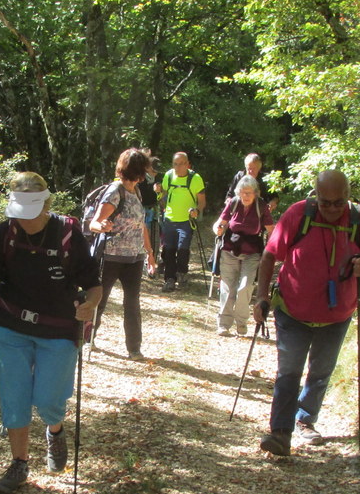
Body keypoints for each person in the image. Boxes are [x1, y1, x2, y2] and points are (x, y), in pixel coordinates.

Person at [0, 172, 102, 494]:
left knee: (49, 399)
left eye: (30, 215)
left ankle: (55, 431)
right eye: (19, 215)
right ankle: (19, 463)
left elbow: (93, 284)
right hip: (9, 325)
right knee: (14, 396)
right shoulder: (5, 235)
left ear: (46, 206)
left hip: (58, 328)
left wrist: (90, 305)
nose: (24, 222)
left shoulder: (69, 235)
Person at [253, 170, 360, 456]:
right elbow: (269, 255)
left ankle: (305, 419)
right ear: (316, 196)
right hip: (292, 310)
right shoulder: (299, 214)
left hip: (337, 315)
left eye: (339, 203)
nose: (333, 209)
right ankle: (280, 433)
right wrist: (261, 297)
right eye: (326, 202)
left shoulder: (359, 219)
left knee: (321, 372)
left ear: (348, 197)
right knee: (288, 372)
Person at [89, 148, 157, 360]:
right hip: (110, 257)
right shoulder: (115, 191)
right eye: (144, 169)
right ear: (136, 170)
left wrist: (150, 254)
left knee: (132, 303)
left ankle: (134, 348)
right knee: (98, 300)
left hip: (134, 258)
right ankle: (85, 339)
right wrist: (102, 226)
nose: (146, 173)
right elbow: (94, 223)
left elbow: (142, 226)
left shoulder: (135, 191)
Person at [212, 175, 274, 337]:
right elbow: (220, 223)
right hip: (230, 250)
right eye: (242, 192)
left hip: (252, 252)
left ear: (256, 193)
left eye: (249, 193)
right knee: (227, 287)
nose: (245, 196)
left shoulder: (261, 206)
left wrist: (275, 249)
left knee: (245, 287)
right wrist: (218, 229)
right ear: (238, 192)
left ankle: (241, 322)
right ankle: (224, 324)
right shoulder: (233, 203)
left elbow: (271, 229)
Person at [154, 152, 206, 292]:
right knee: (168, 250)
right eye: (175, 164)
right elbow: (164, 194)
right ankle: (169, 279)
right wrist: (159, 191)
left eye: (181, 163)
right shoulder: (169, 176)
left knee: (183, 249)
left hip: (186, 221)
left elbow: (201, 201)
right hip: (169, 219)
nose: (178, 167)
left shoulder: (195, 178)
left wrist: (197, 211)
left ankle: (182, 273)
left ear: (187, 164)